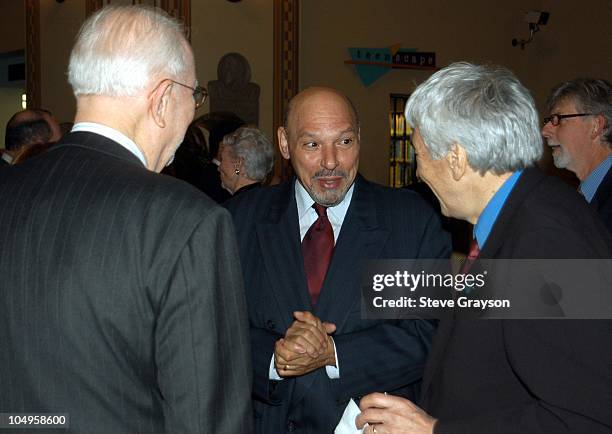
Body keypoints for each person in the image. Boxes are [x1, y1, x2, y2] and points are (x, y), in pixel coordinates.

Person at [0, 5, 252, 434]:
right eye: (194, 94)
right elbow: (208, 421)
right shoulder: (187, 221)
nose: (193, 109)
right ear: (162, 98)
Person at [356, 63, 612, 433]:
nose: (419, 172)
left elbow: (586, 419)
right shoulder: (523, 212)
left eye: (421, 154)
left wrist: (434, 431)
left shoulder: (546, 239)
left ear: (457, 159)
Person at [225, 86, 451, 433]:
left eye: (344, 142)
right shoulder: (240, 219)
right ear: (285, 143)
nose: (330, 161)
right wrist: (275, 357)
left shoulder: (410, 221)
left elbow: (427, 332)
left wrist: (334, 353)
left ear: (360, 138)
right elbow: (215, 327)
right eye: (312, 144)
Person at [542, 78, 611, 232]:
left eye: (558, 119)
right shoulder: (569, 198)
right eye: (548, 120)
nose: (544, 131)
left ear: (595, 126)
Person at [216, 126, 274, 195]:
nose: (219, 168)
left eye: (222, 159)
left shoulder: (234, 205)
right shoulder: (273, 199)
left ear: (238, 164)